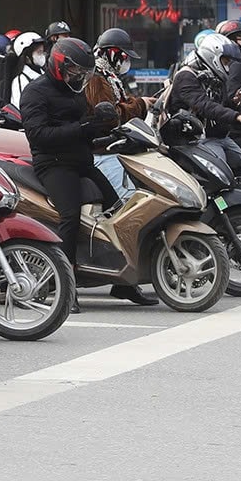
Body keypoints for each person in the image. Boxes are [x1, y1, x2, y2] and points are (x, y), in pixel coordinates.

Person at [21, 37, 144, 303]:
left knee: (121, 210)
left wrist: (103, 128)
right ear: (58, 65)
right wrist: (83, 128)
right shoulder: (35, 92)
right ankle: (65, 287)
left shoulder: (75, 90)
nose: (78, 76)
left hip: (82, 159)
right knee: (70, 217)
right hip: (53, 163)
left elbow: (85, 124)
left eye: (82, 72)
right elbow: (39, 134)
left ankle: (124, 282)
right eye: (74, 70)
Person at [168, 32, 241, 185]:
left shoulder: (213, 77)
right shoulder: (186, 76)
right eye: (225, 61)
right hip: (199, 141)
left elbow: (220, 105)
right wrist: (238, 117)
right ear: (211, 55)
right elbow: (204, 106)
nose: (227, 66)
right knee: (223, 183)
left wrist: (235, 101)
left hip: (222, 137)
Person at [87, 28, 147, 121]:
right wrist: (141, 105)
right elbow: (111, 117)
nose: (126, 61)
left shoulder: (109, 75)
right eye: (124, 56)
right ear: (111, 53)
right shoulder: (96, 78)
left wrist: (139, 102)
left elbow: (119, 101)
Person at [2, 31, 46, 105]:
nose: (42, 55)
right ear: (27, 56)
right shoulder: (21, 80)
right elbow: (20, 108)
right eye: (39, 52)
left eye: (42, 52)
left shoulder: (44, 73)